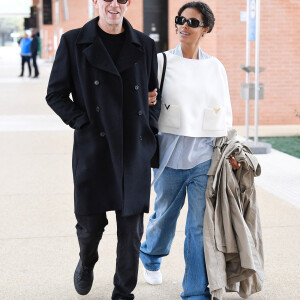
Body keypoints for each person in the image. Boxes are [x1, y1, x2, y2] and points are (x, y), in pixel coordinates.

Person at [45, 0, 160, 299]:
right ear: (96, 1)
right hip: (94, 147)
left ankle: (123, 293)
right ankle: (87, 261)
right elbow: (55, 93)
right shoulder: (74, 41)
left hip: (133, 149)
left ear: (128, 3)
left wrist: (149, 129)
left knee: (131, 231)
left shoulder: (145, 45)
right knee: (90, 225)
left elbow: (153, 96)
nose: (113, 4)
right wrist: (82, 121)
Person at [140, 2, 240, 300]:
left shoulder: (215, 67)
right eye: (180, 20)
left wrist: (230, 150)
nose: (183, 25)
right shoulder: (160, 62)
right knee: (164, 217)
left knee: (198, 228)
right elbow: (143, 101)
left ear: (205, 28)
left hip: (203, 158)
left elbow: (225, 114)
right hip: (169, 156)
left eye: (192, 22)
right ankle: (151, 254)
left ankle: (196, 291)